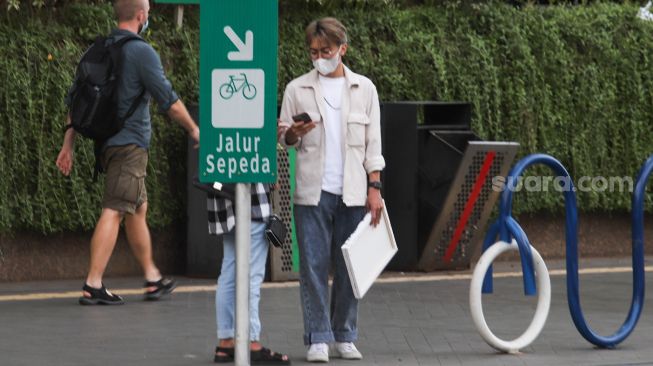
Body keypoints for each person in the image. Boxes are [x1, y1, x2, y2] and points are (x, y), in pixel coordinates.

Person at [56, 0, 200, 305]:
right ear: (141, 15)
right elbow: (169, 100)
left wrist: (67, 144)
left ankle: (151, 277)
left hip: (107, 144)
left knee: (137, 207)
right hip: (130, 146)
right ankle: (93, 284)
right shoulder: (141, 51)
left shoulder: (98, 49)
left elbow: (75, 101)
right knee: (116, 208)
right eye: (148, 11)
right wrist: (194, 129)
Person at [278, 17, 385, 363]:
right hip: (312, 190)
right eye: (313, 52)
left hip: (354, 190)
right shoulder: (297, 88)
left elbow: (373, 145)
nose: (319, 57)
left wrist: (375, 188)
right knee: (312, 266)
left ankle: (345, 334)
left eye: (325, 51)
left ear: (342, 49)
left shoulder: (365, 89)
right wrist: (295, 133)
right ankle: (318, 336)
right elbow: (283, 138)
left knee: (350, 266)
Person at [207, 184, 291, 365]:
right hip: (252, 204)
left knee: (228, 274)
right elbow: (259, 157)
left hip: (225, 206)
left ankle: (226, 341)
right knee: (251, 278)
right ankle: (251, 342)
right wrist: (269, 174)